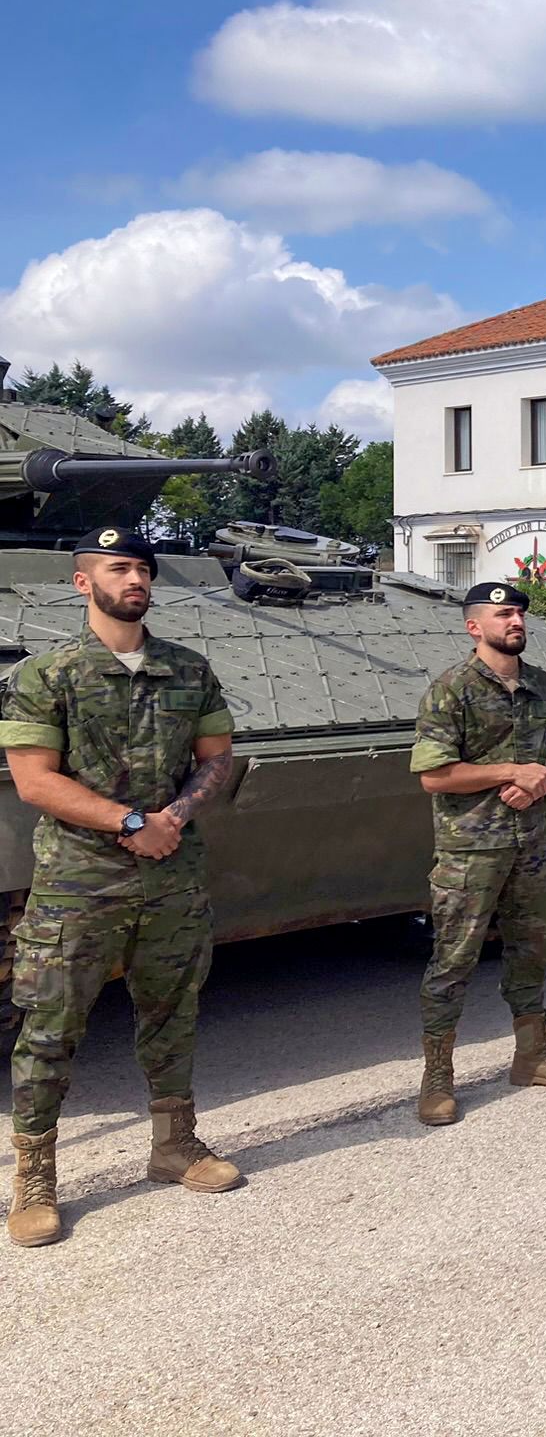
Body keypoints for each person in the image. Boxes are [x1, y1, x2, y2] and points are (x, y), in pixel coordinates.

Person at [1, 526, 242, 1248]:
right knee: (51, 1025)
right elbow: (34, 779)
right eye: (117, 568)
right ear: (83, 583)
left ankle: (175, 1145)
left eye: (141, 568)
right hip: (80, 880)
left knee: (172, 1013)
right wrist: (132, 819)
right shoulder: (48, 676)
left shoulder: (188, 670)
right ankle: (35, 1175)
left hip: (171, 875)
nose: (133, 579)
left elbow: (217, 757)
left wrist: (176, 816)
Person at [409, 581, 546, 1126]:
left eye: (519, 614)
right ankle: (437, 1078)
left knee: (533, 946)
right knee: (453, 959)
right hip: (471, 850)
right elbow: (435, 775)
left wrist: (539, 783)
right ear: (474, 626)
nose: (516, 622)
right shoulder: (451, 691)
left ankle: (532, 1055)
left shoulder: (544, 687)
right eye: (503, 613)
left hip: (533, 846)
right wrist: (512, 771)